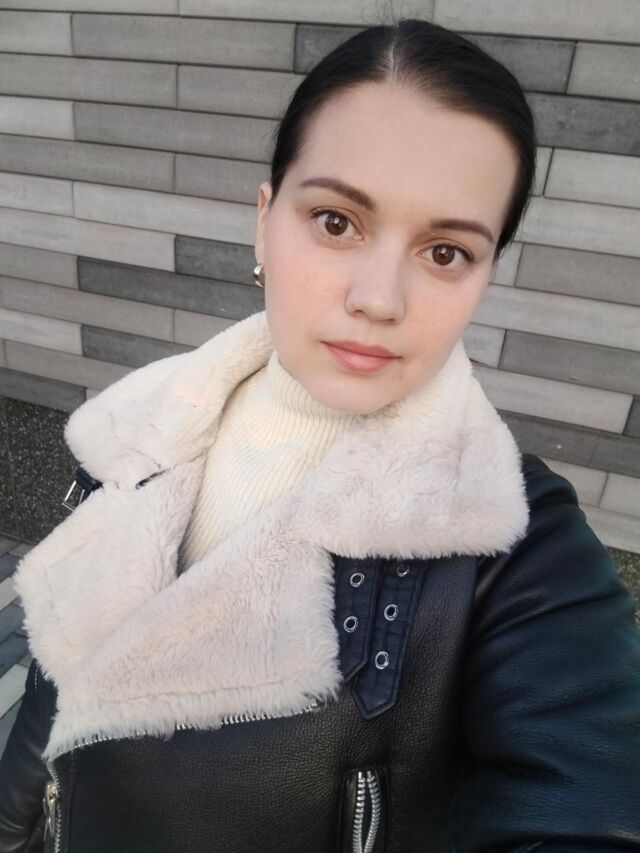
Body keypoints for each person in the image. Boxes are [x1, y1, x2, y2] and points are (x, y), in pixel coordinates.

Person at [1, 16, 639, 853]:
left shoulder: (513, 544)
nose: (380, 298)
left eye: (445, 252)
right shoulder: (141, 430)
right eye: (337, 222)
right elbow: (66, 673)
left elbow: (590, 791)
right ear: (265, 221)